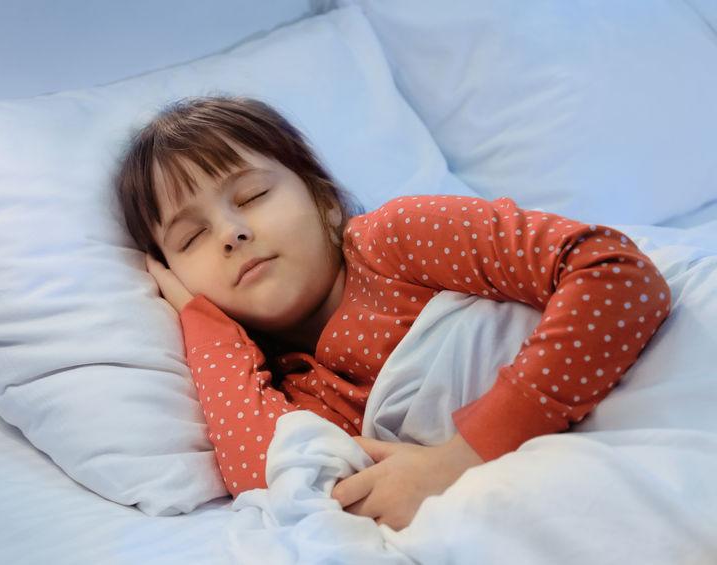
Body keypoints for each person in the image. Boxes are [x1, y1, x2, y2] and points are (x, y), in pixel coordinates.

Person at [114, 95, 672, 530]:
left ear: (323, 199)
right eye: (192, 238)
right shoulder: (298, 390)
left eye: (253, 197)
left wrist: (464, 455)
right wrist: (205, 323)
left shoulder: (395, 243)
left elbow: (617, 275)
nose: (232, 233)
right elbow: (271, 477)